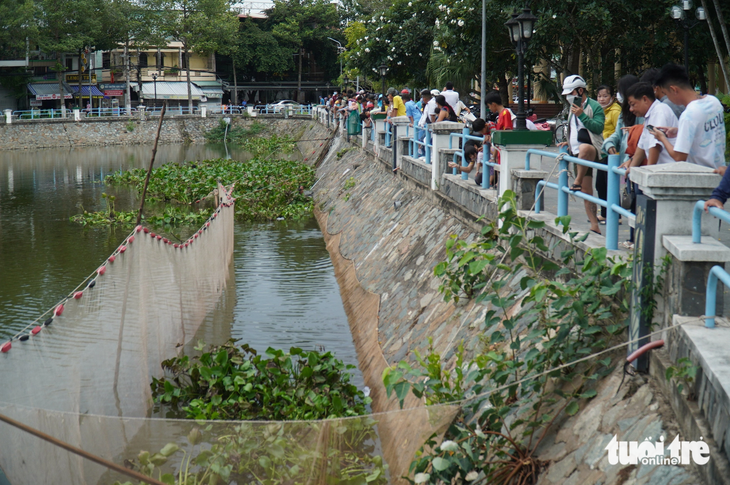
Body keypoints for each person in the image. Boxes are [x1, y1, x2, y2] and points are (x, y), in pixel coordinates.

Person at [650, 63, 726, 171]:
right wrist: (679, 131)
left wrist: (662, 138)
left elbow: (679, 157)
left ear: (673, 90)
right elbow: (704, 129)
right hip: (721, 174)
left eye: (666, 93)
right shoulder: (714, 102)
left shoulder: (688, 116)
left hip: (701, 178)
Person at [557, 74, 605, 235]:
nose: (569, 97)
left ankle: (576, 181)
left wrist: (582, 115)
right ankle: (594, 225)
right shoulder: (572, 110)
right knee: (587, 191)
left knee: (585, 149)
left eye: (571, 93)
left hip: (592, 150)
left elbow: (598, 128)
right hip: (577, 154)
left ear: (580, 90)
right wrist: (568, 143)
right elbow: (573, 130)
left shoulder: (594, 106)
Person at [622, 82, 678, 172]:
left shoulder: (659, 111)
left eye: (633, 104)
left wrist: (648, 172)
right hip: (663, 170)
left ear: (645, 99)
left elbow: (655, 146)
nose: (631, 109)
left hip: (669, 171)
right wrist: (631, 168)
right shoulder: (649, 116)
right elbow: (642, 146)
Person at [595, 84, 622, 223]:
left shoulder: (615, 111)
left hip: (612, 153)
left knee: (610, 184)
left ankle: (616, 215)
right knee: (600, 184)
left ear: (612, 97)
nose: (602, 99)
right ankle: (605, 213)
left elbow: (620, 132)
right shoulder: (599, 111)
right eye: (599, 96)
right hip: (602, 152)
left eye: (605, 96)